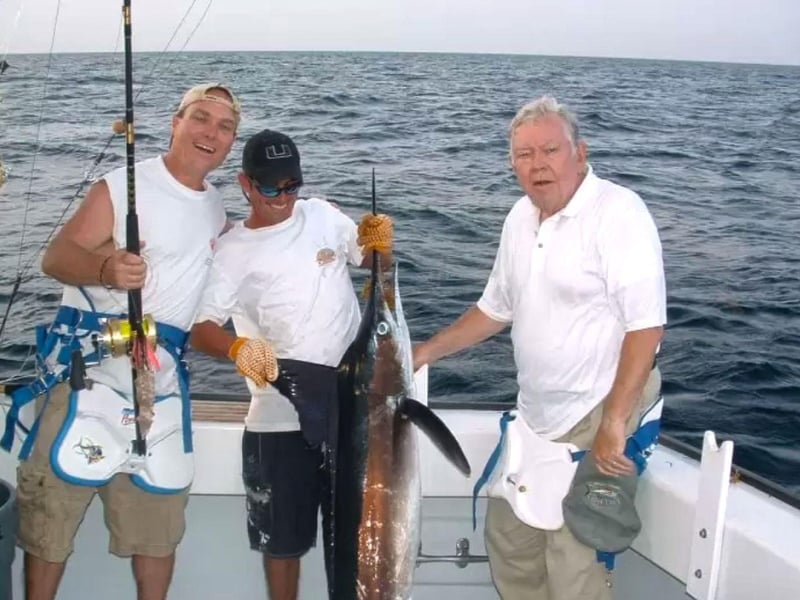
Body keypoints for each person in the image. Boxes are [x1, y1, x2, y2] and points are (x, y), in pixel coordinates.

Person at [412, 95, 667, 600]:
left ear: (580, 152)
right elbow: (496, 308)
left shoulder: (618, 213)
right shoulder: (519, 218)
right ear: (512, 164)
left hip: (598, 410)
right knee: (510, 547)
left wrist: (615, 423)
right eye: (524, 155)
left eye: (550, 150)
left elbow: (646, 327)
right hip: (534, 416)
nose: (538, 165)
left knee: (576, 564)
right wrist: (423, 352)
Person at [7, 83, 240, 600]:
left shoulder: (216, 207)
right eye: (200, 118)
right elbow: (56, 258)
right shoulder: (122, 185)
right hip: (85, 376)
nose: (211, 132)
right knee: (50, 527)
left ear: (232, 143)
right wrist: (106, 269)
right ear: (176, 122)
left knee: (158, 531)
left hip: (159, 384)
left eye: (225, 127)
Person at [189, 128, 393, 600]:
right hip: (280, 417)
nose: (283, 198)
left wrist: (381, 242)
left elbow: (373, 261)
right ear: (245, 183)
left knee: (359, 537)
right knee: (283, 546)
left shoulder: (321, 215)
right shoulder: (232, 251)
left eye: (291, 185)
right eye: (269, 187)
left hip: (350, 412)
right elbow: (201, 329)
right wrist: (237, 349)